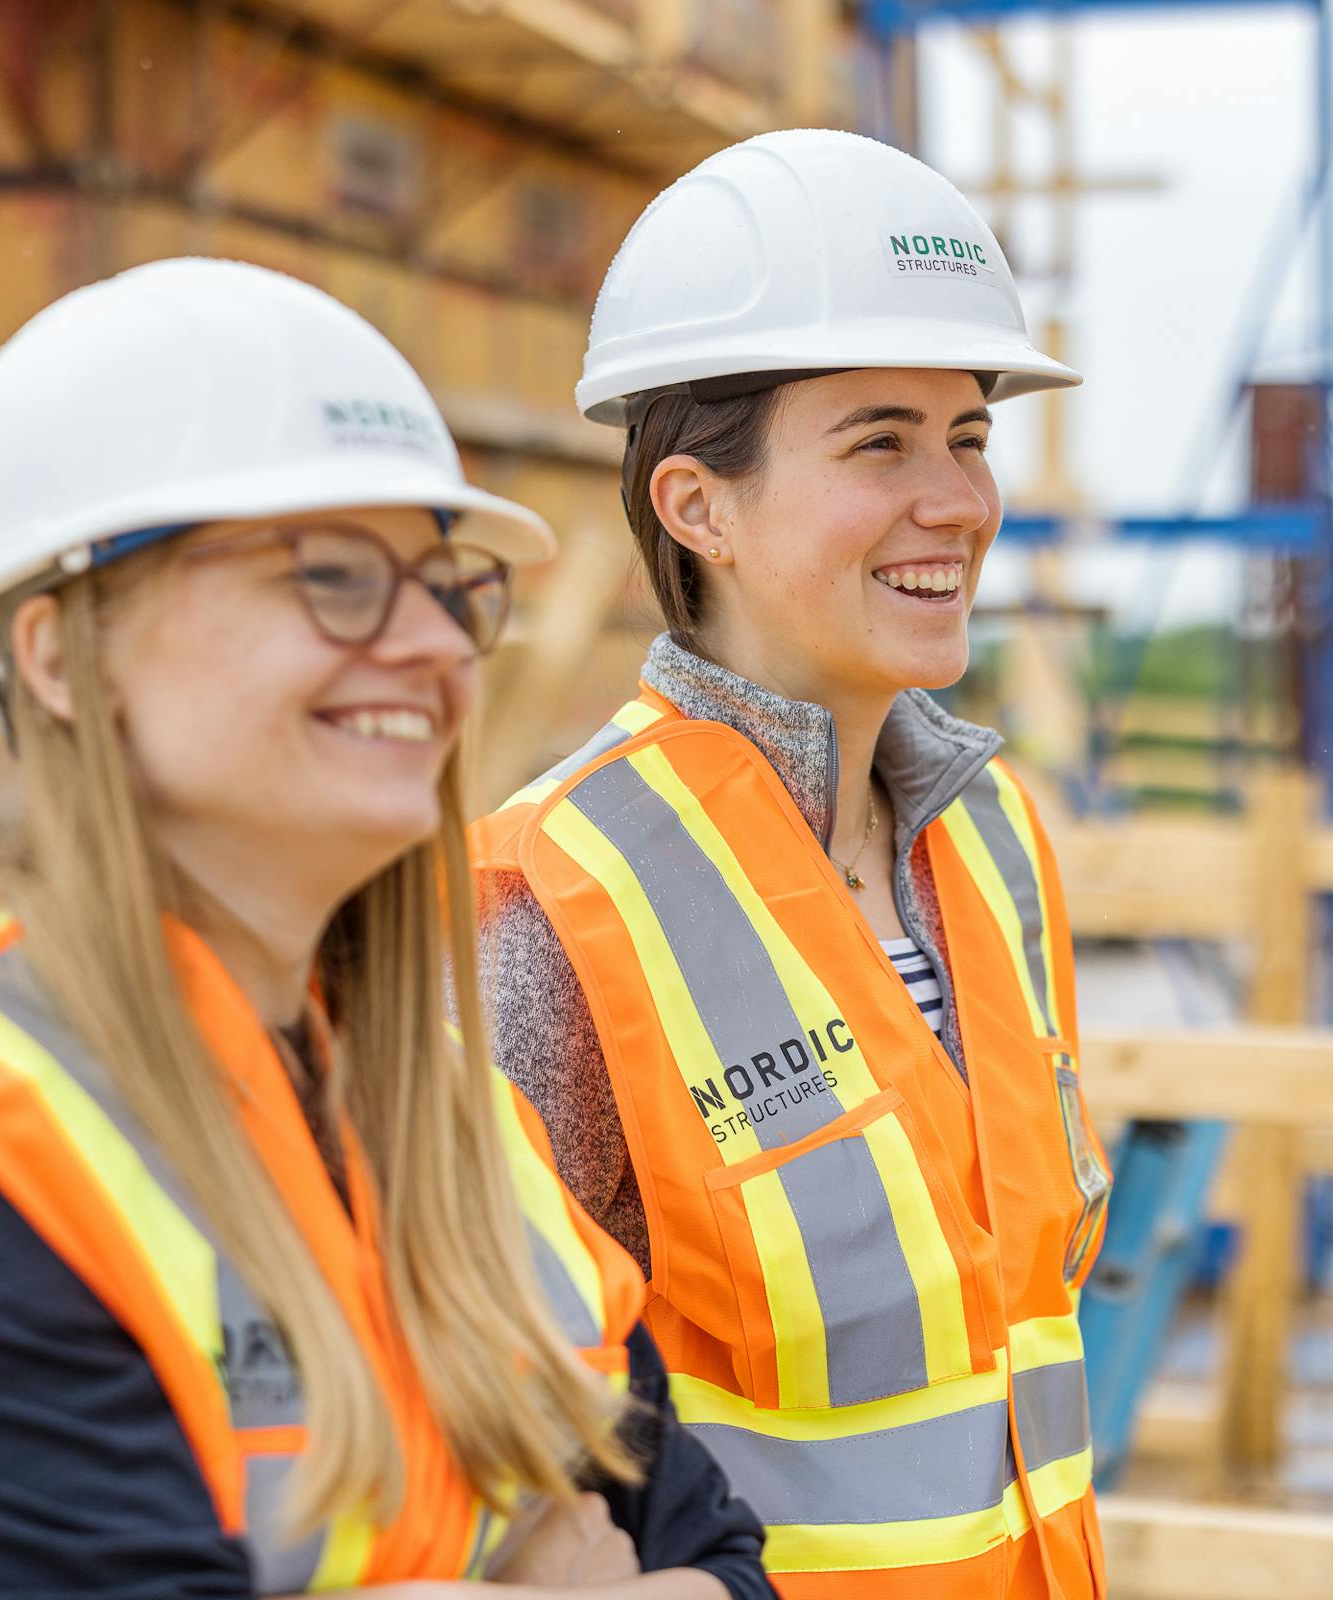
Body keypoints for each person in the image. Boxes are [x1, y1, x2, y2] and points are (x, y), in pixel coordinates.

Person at [0, 259, 772, 1600]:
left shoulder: (454, 1116)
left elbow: (723, 1559)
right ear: (60, 656)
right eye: (333, 576)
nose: (434, 644)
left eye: (445, 584)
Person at [472, 131, 1113, 1599]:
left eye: (968, 437)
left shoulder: (992, 836)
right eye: (880, 441)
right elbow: (497, 1439)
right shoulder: (558, 897)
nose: (956, 500)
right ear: (697, 508)